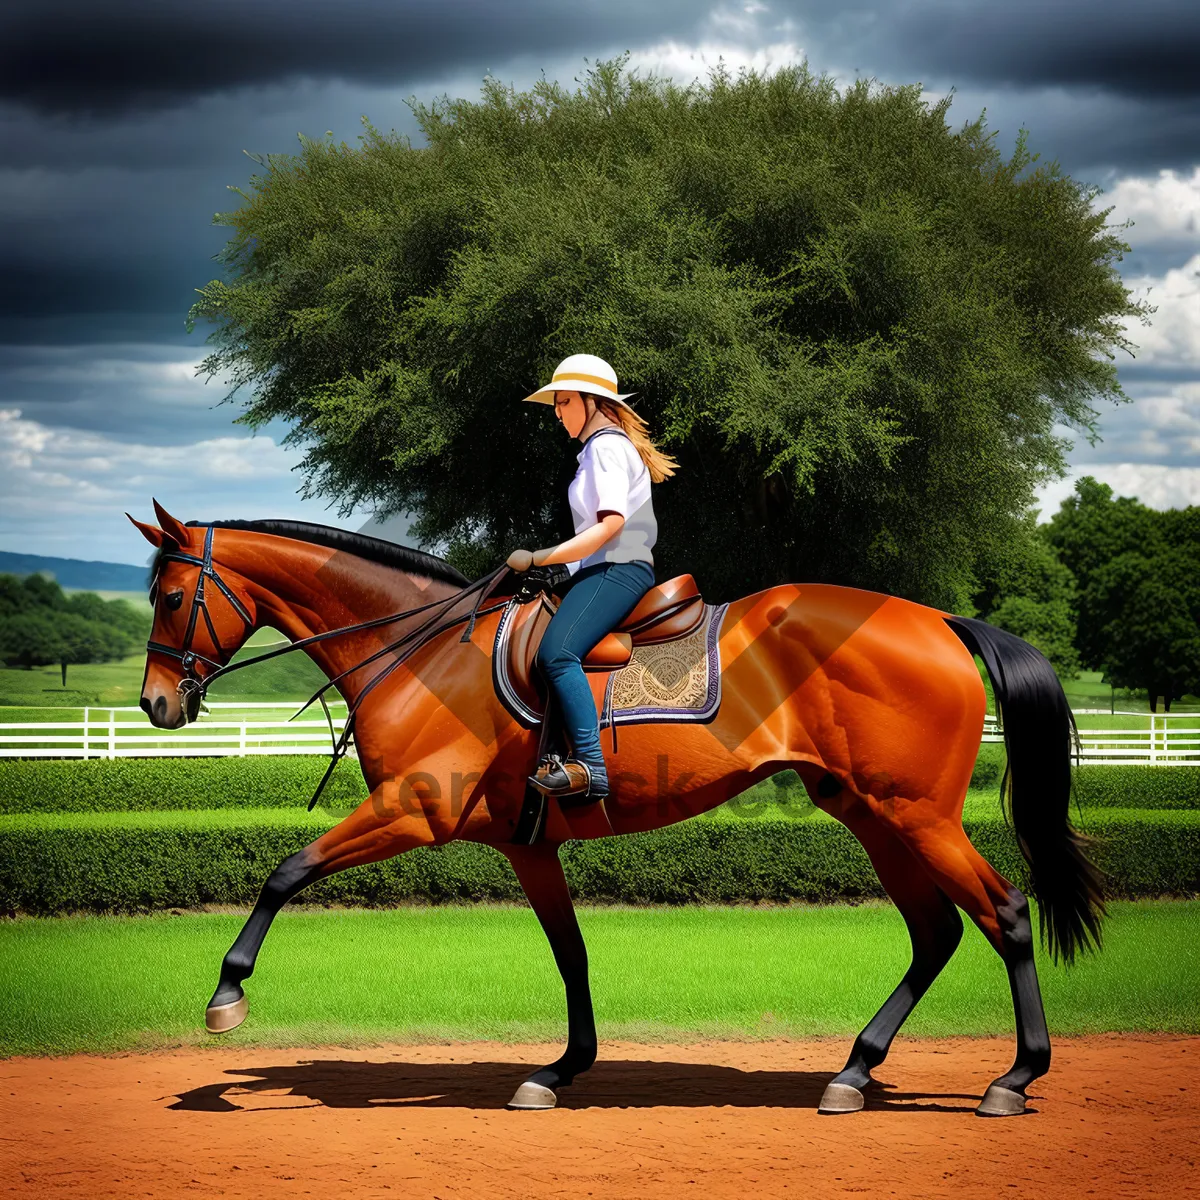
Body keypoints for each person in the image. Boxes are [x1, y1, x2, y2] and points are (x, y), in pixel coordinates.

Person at [507, 353, 678, 802]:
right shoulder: (598, 449)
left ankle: (590, 767)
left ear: (591, 401)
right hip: (603, 567)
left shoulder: (605, 447)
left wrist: (539, 556)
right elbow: (590, 540)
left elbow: (609, 527)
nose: (558, 412)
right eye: (558, 404)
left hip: (621, 569)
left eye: (564, 401)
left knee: (557, 655)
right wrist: (558, 570)